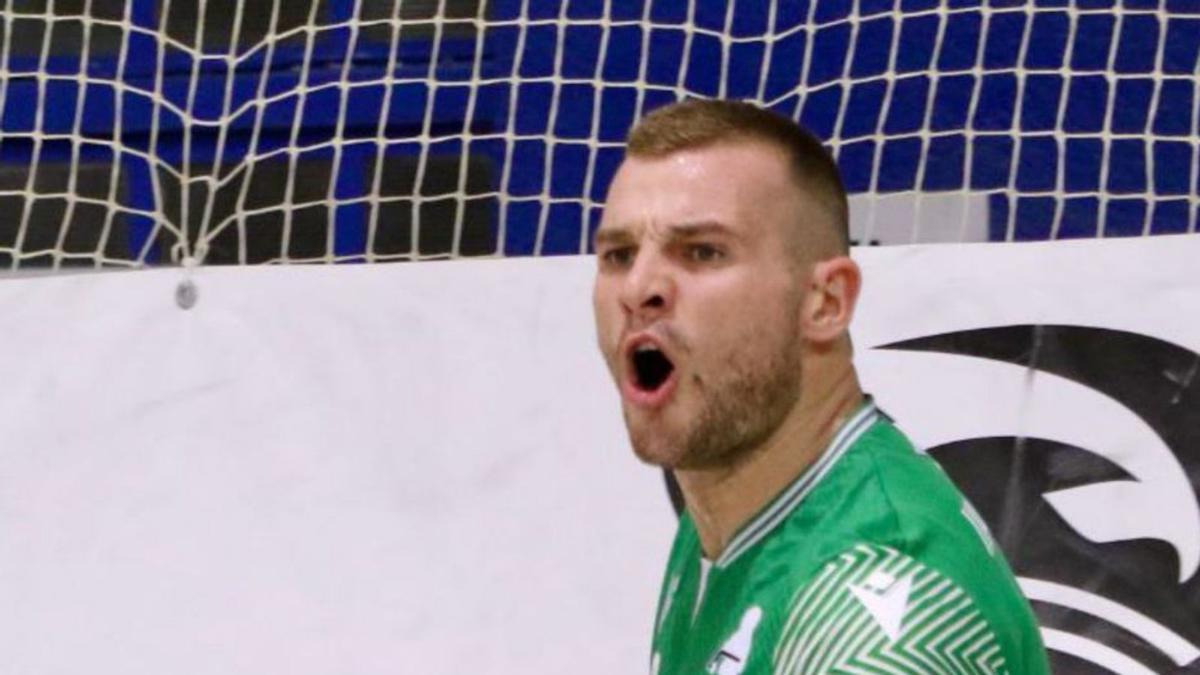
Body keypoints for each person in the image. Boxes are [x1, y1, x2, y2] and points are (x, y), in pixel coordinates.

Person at [591, 99, 1050, 675]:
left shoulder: (871, 627)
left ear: (826, 303)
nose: (639, 287)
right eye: (619, 254)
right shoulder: (729, 507)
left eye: (702, 252)